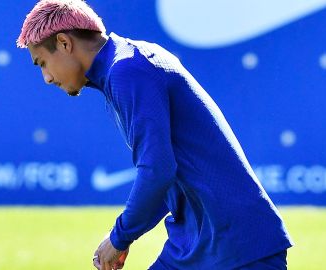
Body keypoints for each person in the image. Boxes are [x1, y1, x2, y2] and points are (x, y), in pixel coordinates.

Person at [17, 0, 293, 269]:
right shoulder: (127, 63)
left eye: (42, 62)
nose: (47, 77)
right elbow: (166, 175)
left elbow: (157, 170)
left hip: (237, 247)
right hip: (199, 242)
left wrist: (120, 236)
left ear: (65, 43)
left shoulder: (127, 71)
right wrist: (122, 237)